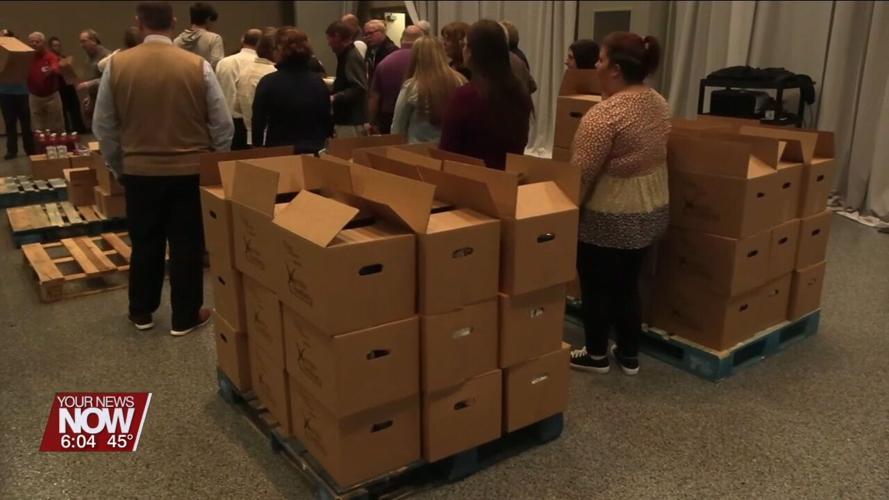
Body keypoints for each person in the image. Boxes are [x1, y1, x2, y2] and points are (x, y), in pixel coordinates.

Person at [92, 1, 233, 336]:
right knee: (187, 244)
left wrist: (118, 166)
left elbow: (104, 126)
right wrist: (211, 161)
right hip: (189, 170)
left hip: (139, 171)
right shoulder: (198, 65)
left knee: (145, 242)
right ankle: (185, 317)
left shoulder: (116, 65)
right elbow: (222, 124)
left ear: (138, 23)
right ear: (173, 22)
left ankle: (141, 311)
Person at [568, 32, 670, 376]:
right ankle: (628, 355)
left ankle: (596, 354)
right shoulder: (658, 101)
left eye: (600, 59)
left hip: (609, 216)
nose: (595, 66)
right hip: (650, 210)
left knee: (595, 286)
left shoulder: (603, 117)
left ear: (614, 69)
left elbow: (579, 177)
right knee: (628, 283)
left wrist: (564, 215)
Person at [439, 20, 533, 170]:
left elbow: (447, 152)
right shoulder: (520, 93)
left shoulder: (464, 97)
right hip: (507, 181)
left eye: (464, 45)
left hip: (471, 183)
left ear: (471, 52)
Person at [251, 28, 331, 153]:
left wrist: (257, 147)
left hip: (280, 152)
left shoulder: (268, 83)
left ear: (279, 50)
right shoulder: (319, 83)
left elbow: (258, 122)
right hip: (314, 151)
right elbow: (326, 120)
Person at [391, 36, 466, 144]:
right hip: (449, 150)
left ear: (416, 56)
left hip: (417, 152)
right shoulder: (460, 80)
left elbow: (397, 127)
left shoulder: (412, 87)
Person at [368, 25, 422, 134]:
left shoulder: (384, 63)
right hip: (418, 119)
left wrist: (372, 122)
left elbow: (374, 98)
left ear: (401, 40)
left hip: (386, 119)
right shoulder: (425, 62)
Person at [215, 28, 262, 150]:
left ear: (242, 40)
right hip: (251, 122)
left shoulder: (224, 62)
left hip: (226, 120)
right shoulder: (261, 64)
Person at [235, 28, 277, 146]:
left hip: (250, 136)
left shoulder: (245, 71)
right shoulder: (272, 73)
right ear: (275, 50)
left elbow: (237, 106)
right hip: (270, 139)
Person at [326, 21, 367, 139]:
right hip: (348, 119)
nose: (329, 43)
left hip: (350, 120)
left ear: (337, 36)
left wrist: (334, 97)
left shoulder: (351, 57)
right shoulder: (346, 55)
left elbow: (359, 87)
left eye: (329, 39)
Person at [0, 30, 36, 159]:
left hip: (21, 91)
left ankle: (30, 148)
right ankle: (12, 150)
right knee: (10, 122)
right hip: (4, 92)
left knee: (25, 122)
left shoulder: (20, 51)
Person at [26, 32, 66, 132]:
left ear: (43, 43)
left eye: (37, 42)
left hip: (51, 96)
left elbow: (56, 66)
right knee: (37, 129)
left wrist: (52, 69)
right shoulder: (26, 57)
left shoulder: (50, 56)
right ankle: (40, 147)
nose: (34, 44)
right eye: (31, 42)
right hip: (34, 97)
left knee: (56, 127)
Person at [47, 36, 87, 133]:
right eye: (55, 45)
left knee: (75, 108)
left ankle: (79, 128)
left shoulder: (63, 57)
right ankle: (66, 130)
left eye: (58, 45)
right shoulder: (49, 59)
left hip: (68, 85)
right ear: (50, 47)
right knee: (62, 111)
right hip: (58, 87)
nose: (57, 47)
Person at [76, 29, 112, 126]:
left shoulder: (106, 56)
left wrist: (87, 84)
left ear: (93, 41)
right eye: (80, 42)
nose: (82, 45)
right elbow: (92, 77)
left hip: (106, 100)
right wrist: (89, 97)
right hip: (94, 99)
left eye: (84, 41)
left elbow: (109, 78)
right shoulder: (88, 59)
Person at [174, 1, 224, 69]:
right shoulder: (214, 39)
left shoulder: (177, 41)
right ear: (208, 19)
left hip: (182, 79)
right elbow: (218, 65)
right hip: (204, 78)